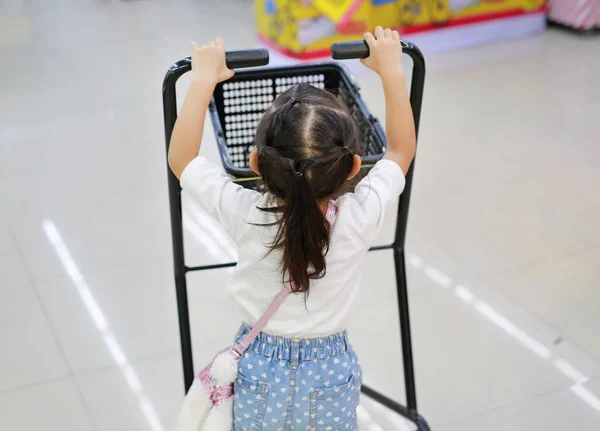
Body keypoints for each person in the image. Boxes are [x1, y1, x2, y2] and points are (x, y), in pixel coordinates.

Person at [168, 26, 415, 431]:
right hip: (331, 371)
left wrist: (202, 80)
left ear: (256, 165)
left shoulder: (246, 212)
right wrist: (391, 70)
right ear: (354, 167)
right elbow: (401, 150)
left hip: (257, 370)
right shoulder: (360, 216)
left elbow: (182, 159)